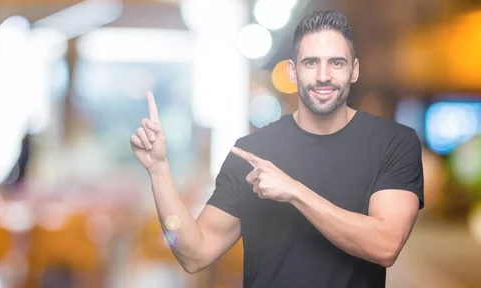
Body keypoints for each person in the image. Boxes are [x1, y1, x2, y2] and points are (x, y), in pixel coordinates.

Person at [130, 10, 424, 288]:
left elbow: (386, 245)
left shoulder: (393, 142)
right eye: (311, 63)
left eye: (336, 62)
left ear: (354, 70)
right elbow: (195, 255)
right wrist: (159, 171)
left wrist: (295, 191)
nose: (323, 75)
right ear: (293, 72)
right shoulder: (251, 152)